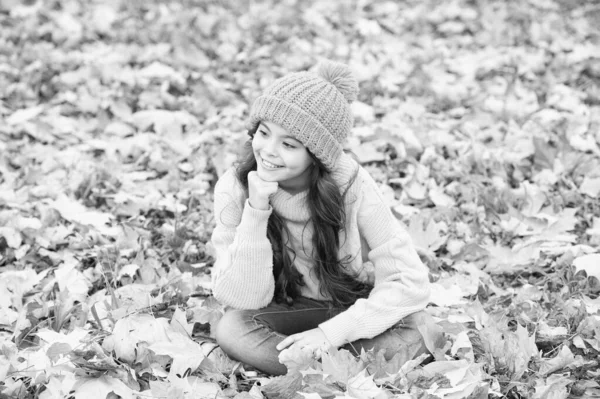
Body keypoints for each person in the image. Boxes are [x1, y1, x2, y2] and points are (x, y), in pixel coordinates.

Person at [210, 60, 433, 376]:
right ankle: (335, 370)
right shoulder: (235, 187)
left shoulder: (352, 185)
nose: (268, 151)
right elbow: (244, 298)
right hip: (285, 309)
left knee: (421, 327)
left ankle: (312, 369)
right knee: (232, 328)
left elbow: (409, 280)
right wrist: (256, 211)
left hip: (350, 303)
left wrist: (330, 334)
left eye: (288, 144)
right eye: (263, 133)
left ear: (316, 155)